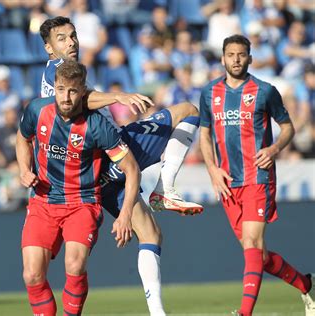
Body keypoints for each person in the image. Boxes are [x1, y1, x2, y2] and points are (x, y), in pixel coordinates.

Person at [39, 16, 203, 315]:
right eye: (62, 38)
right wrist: (119, 96)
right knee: (188, 111)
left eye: (73, 35)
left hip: (98, 174)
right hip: (110, 156)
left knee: (151, 234)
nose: (72, 42)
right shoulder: (56, 74)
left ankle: (158, 313)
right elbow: (79, 103)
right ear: (49, 48)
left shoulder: (68, 75)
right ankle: (165, 187)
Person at [199, 34, 314, 316]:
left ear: (250, 58)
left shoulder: (264, 91)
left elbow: (287, 128)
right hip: (228, 183)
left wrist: (274, 148)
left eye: (241, 54)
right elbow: (204, 133)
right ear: (223, 58)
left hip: (258, 178)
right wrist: (212, 169)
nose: (236, 59)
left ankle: (245, 312)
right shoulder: (209, 92)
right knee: (258, 256)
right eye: (231, 55)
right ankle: (305, 285)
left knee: (251, 245)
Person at [17, 59, 141, 316]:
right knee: (31, 275)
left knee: (74, 265)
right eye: (61, 89)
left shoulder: (97, 126)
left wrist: (126, 213)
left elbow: (132, 169)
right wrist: (23, 169)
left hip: (82, 203)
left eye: (73, 91)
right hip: (43, 201)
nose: (66, 96)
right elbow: (22, 137)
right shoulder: (37, 110)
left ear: (83, 92)